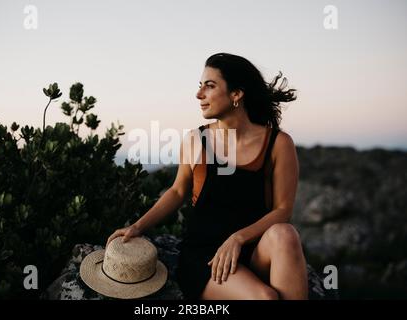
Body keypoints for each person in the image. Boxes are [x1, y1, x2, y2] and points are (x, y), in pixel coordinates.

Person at [107, 53, 308, 300]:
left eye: (209, 86)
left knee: (285, 234)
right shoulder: (196, 140)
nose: (199, 94)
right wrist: (138, 226)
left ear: (237, 94)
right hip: (206, 255)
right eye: (200, 86)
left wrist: (238, 238)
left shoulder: (278, 143)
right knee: (265, 298)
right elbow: (177, 191)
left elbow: (283, 210)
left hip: (254, 248)